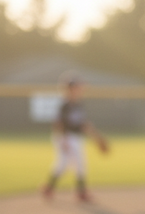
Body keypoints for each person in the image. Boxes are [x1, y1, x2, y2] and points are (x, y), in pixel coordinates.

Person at [41, 72, 109, 203]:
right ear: (71, 88)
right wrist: (64, 139)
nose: (81, 89)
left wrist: (97, 137)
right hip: (65, 137)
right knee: (73, 163)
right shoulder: (65, 104)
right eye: (79, 87)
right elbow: (58, 123)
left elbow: (83, 125)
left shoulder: (78, 104)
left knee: (66, 164)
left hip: (75, 137)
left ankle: (50, 188)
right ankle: (79, 192)